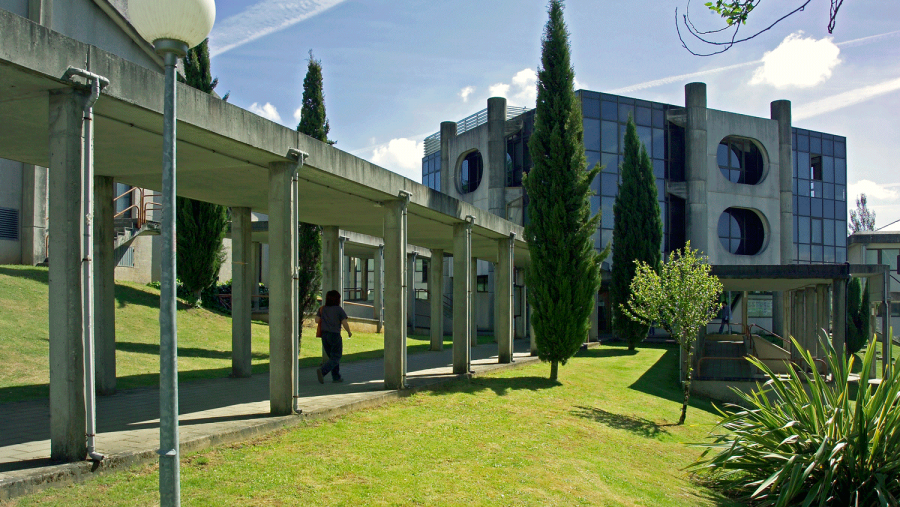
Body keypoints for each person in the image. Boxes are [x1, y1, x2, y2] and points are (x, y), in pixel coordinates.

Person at [315, 290, 352, 384]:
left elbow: (316, 320)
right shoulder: (339, 309)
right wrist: (349, 332)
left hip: (324, 335)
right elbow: (344, 322)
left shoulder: (322, 309)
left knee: (332, 357)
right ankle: (322, 371)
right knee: (336, 356)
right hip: (334, 335)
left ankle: (336, 377)